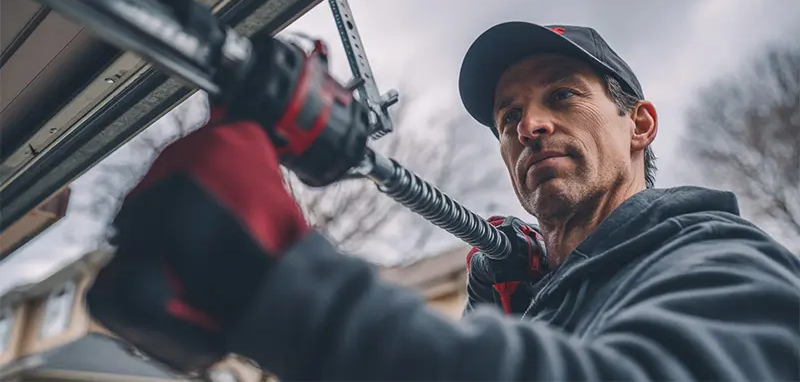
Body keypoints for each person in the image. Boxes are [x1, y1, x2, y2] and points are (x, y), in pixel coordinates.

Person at [86, 22, 800, 381]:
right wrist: (522, 317)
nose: (530, 125)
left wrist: (277, 279)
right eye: (507, 116)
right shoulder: (551, 305)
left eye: (561, 95)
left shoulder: (720, 260)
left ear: (639, 124)